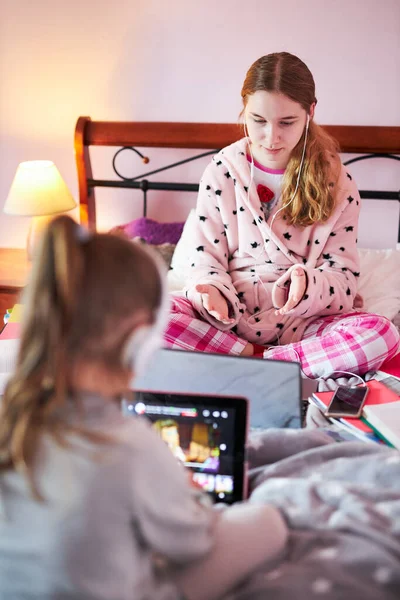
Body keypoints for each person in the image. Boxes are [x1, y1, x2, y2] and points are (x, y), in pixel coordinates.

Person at [0, 215, 287, 600]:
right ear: (139, 340)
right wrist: (191, 496)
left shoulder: (11, 411)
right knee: (268, 522)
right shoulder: (130, 445)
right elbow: (193, 544)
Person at [165, 52, 399, 381]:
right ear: (244, 109)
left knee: (381, 334)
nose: (271, 137)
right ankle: (251, 361)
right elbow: (205, 258)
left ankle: (263, 365)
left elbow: (344, 282)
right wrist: (211, 291)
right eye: (258, 120)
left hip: (303, 327)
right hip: (228, 324)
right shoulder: (222, 171)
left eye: (286, 123)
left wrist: (309, 284)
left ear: (310, 112)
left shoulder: (338, 184)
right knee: (144, 313)